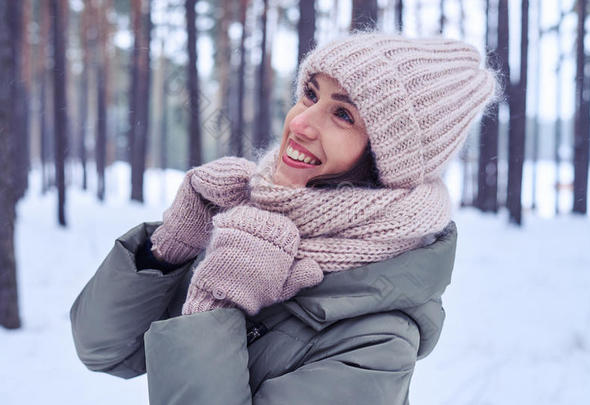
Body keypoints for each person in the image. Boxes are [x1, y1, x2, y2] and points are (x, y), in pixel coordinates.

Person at [70, 31, 497, 404]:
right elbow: (105, 350)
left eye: (343, 115)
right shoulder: (250, 221)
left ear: (386, 162)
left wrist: (214, 305)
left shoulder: (379, 346)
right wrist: (171, 247)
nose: (302, 123)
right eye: (310, 94)